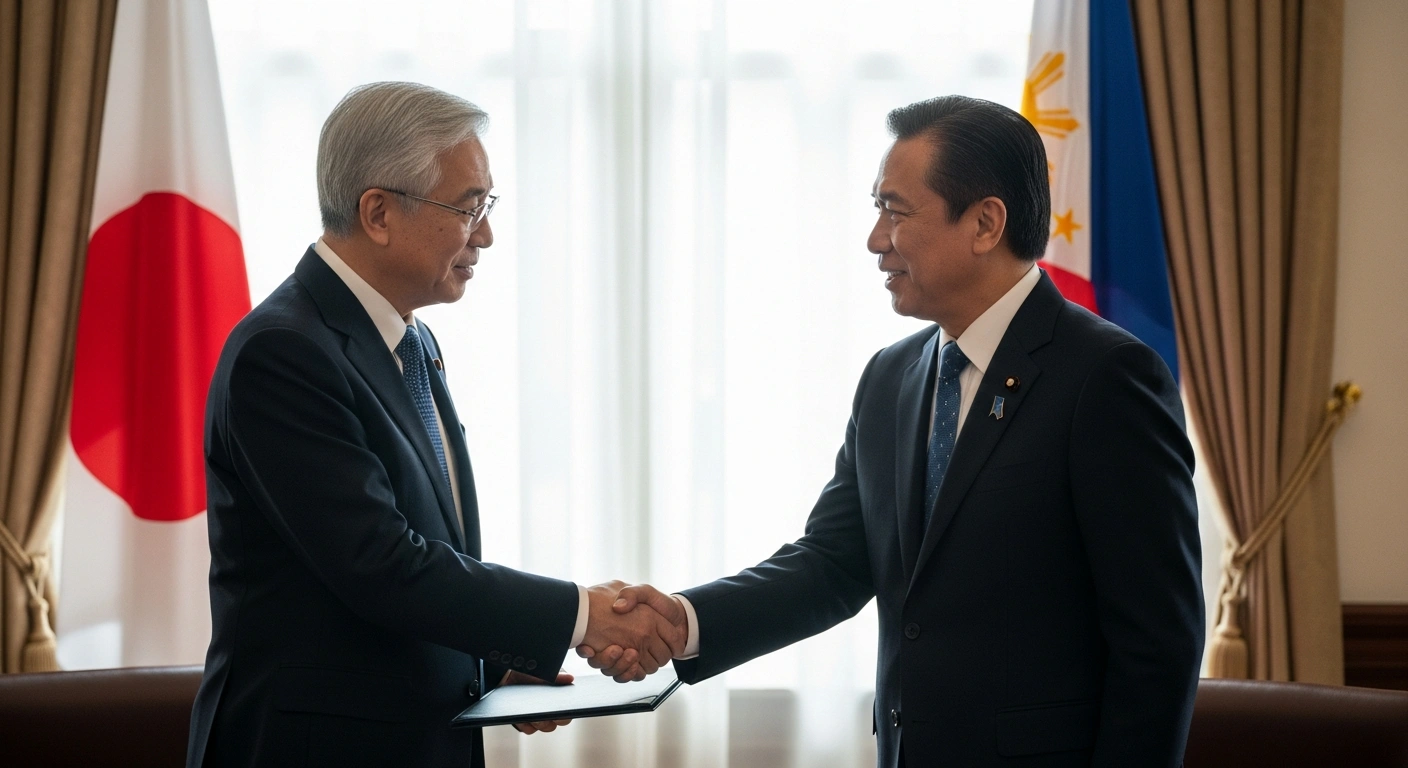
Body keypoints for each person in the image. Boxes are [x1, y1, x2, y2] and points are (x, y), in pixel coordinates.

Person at [587, 96, 1205, 767]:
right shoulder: (891, 378)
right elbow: (831, 564)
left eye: (896, 211)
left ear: (985, 223)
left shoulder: (1107, 378)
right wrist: (682, 621)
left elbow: (1158, 643)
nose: (876, 239)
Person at [187, 82, 684, 768]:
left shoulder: (411, 341)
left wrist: (491, 668)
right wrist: (578, 615)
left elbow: (424, 557)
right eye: (468, 207)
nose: (485, 234)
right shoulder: (285, 352)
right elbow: (381, 565)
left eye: (487, 206)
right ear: (379, 212)